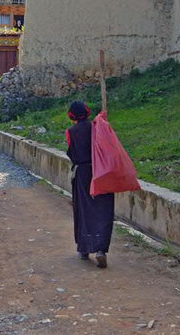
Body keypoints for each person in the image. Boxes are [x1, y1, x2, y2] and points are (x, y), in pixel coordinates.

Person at [65, 100, 115, 267]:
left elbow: (71, 153)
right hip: (102, 172)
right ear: (87, 112)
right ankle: (101, 250)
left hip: (82, 174)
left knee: (83, 210)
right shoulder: (97, 127)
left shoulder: (70, 132)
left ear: (71, 115)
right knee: (103, 209)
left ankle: (84, 249)